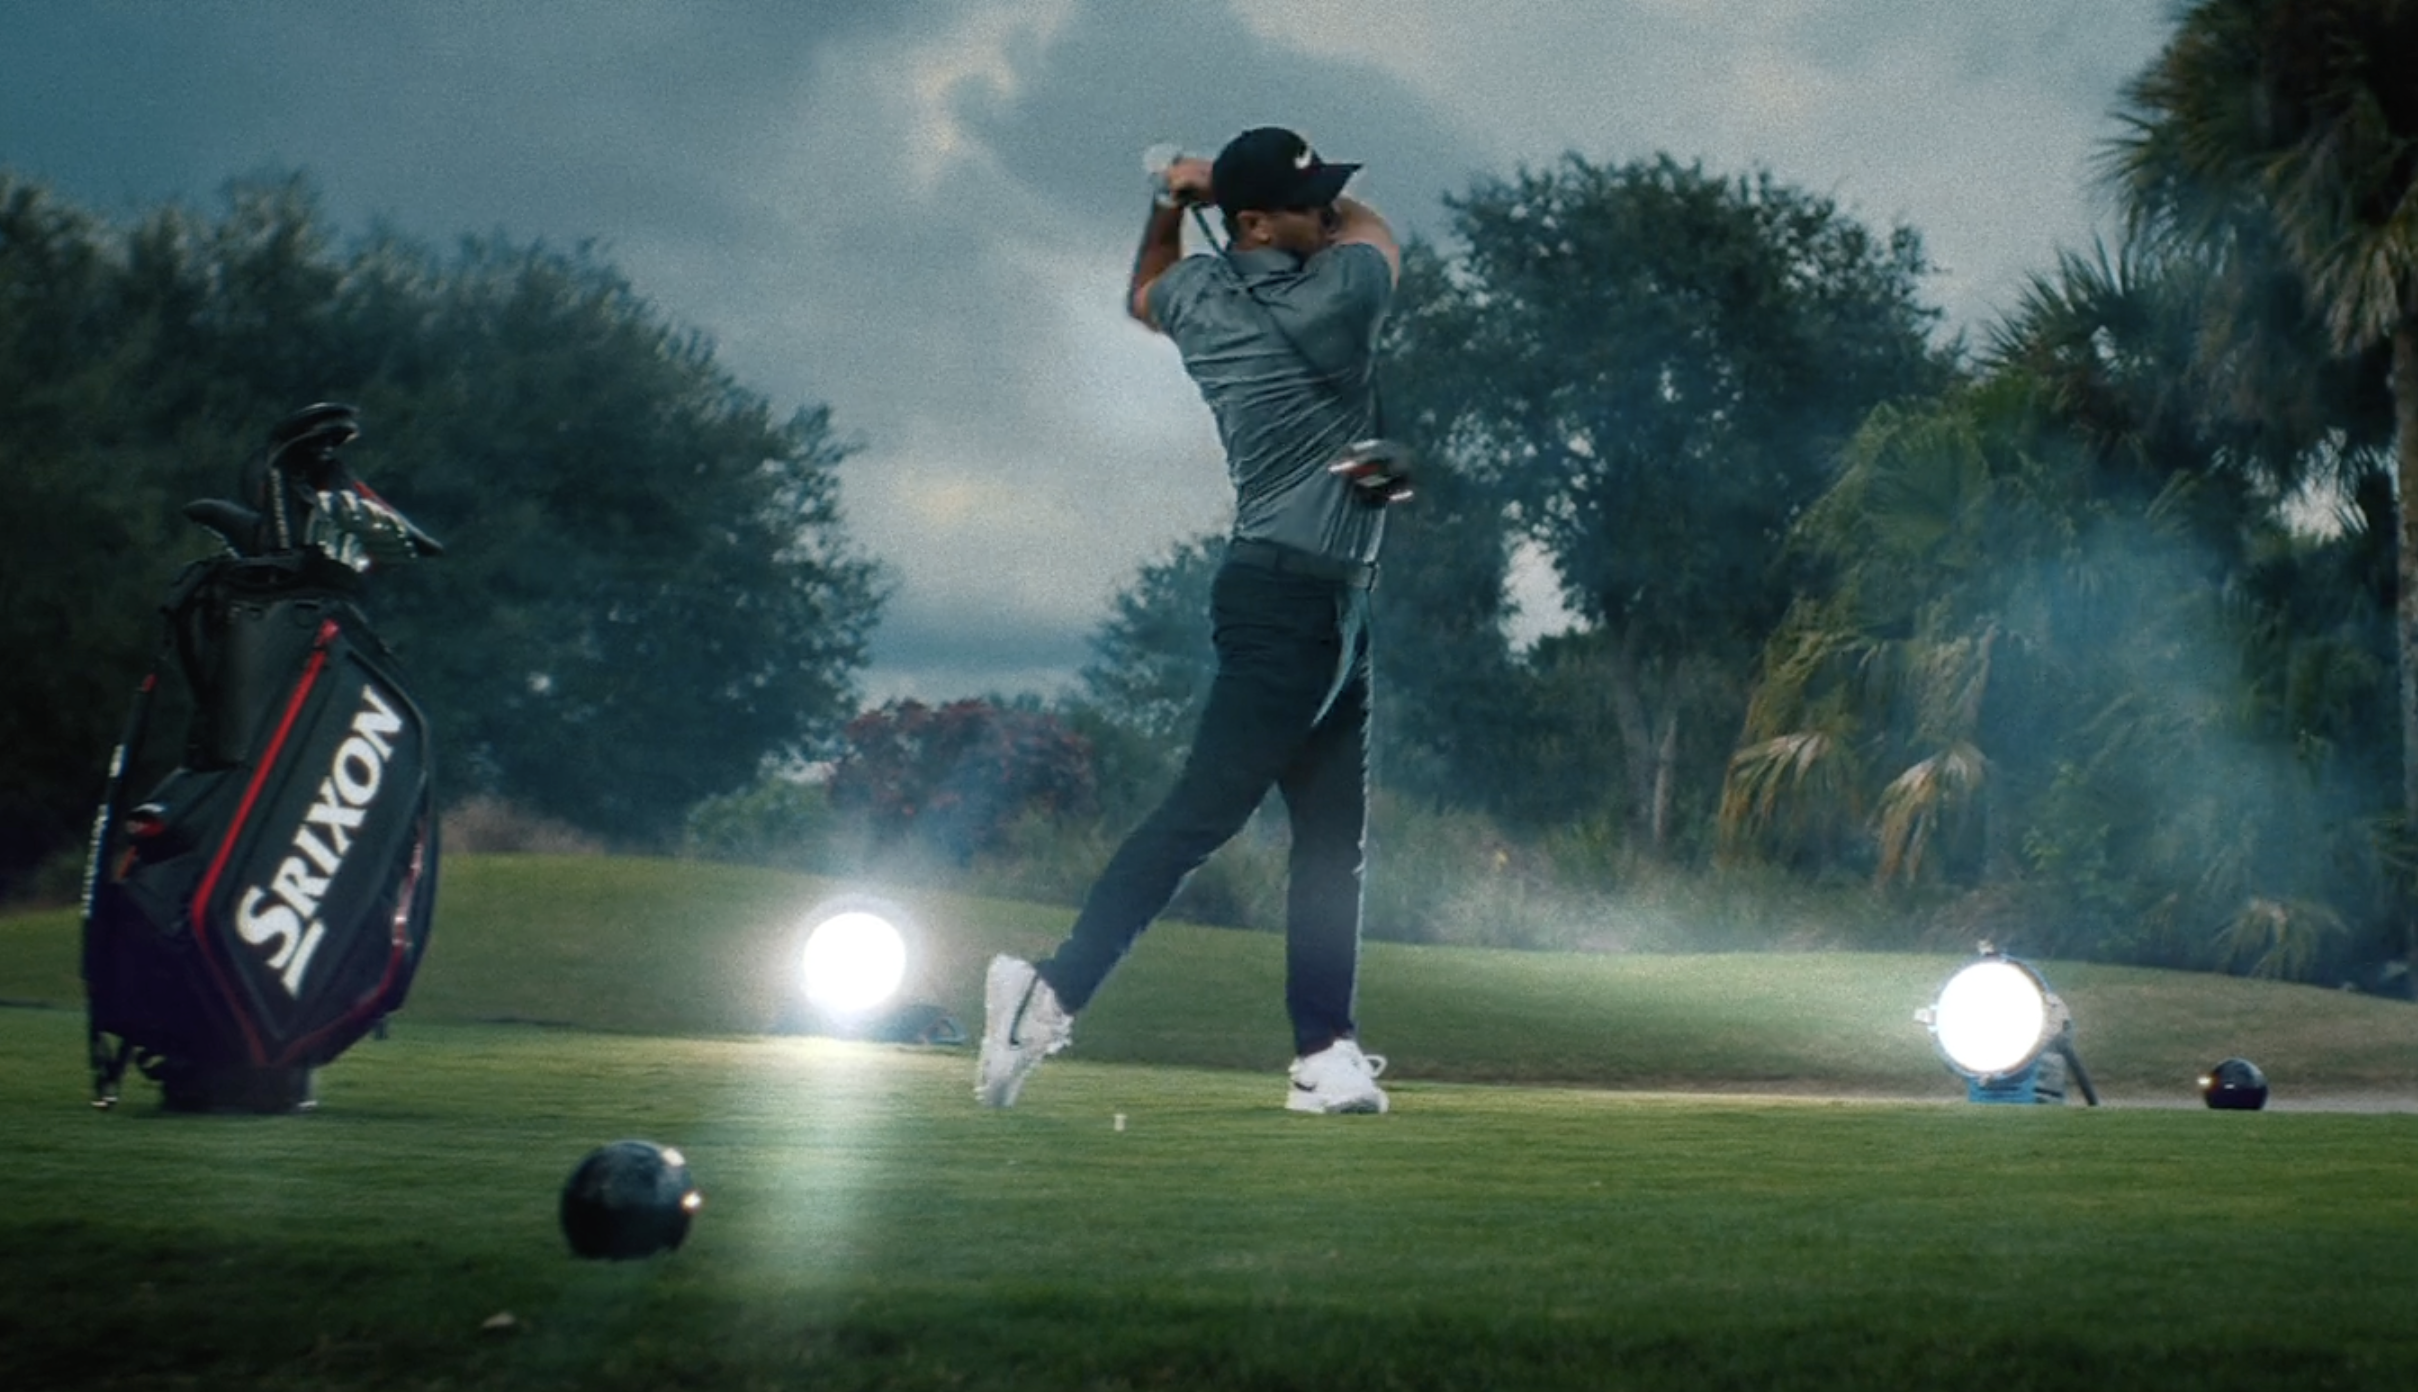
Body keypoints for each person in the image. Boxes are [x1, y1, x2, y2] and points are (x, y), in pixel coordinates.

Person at [976, 126, 1407, 1114]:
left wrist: (1173, 201)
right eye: (1312, 201)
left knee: (1331, 842)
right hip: (1289, 606)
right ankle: (1045, 992)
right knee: (1200, 818)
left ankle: (1324, 1052)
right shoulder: (1344, 298)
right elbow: (1382, 233)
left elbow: (1143, 292)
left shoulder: (1204, 298)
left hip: (1325, 604)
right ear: (1258, 222)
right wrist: (1212, 187)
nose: (1331, 209)